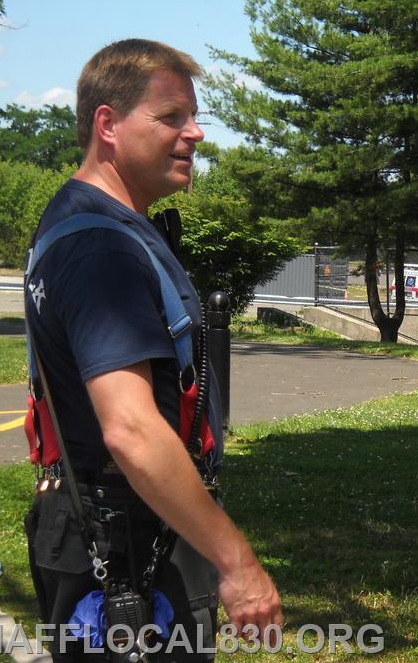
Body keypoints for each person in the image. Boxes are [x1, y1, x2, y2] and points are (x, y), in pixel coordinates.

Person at [23, 39, 282, 660]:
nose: (194, 134)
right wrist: (237, 562)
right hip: (127, 545)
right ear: (107, 125)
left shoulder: (84, 220)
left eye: (194, 118)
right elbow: (131, 429)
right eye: (171, 118)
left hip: (108, 527)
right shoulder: (101, 248)